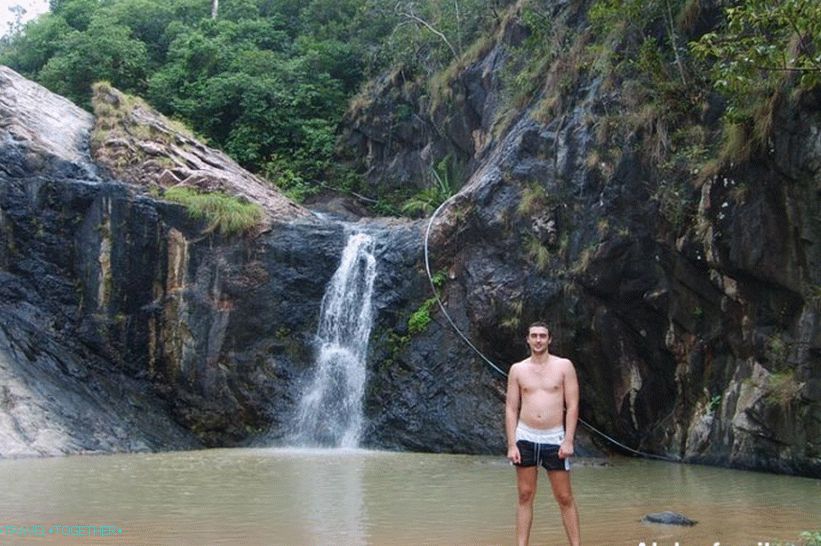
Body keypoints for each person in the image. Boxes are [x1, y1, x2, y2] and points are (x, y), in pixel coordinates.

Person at [505, 321, 580, 546]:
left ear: (549, 339)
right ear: (527, 340)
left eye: (542, 336)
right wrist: (512, 444)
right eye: (534, 336)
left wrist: (568, 440)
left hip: (554, 438)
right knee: (525, 495)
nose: (538, 340)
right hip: (525, 437)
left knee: (564, 497)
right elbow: (511, 408)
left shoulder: (564, 366)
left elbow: (572, 405)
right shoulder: (517, 369)